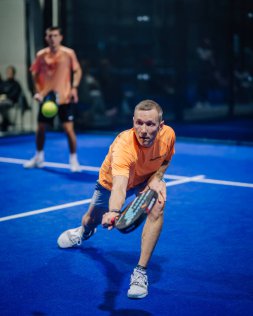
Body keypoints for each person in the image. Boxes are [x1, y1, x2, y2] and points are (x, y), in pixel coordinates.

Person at [57, 99, 176, 298]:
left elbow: (165, 160)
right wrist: (113, 212)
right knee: (90, 219)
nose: (143, 130)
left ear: (160, 126)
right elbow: (119, 186)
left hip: (144, 180)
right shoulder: (124, 146)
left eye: (150, 124)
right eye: (139, 123)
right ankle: (83, 231)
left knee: (158, 206)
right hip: (110, 184)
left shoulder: (169, 135)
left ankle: (140, 271)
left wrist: (157, 178)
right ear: (133, 122)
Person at [24, 26, 82, 172]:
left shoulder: (69, 53)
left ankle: (74, 160)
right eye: (50, 36)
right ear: (46, 38)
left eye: (55, 35)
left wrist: (74, 88)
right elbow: (34, 74)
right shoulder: (41, 55)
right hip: (47, 100)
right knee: (41, 129)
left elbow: (77, 70)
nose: (52, 38)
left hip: (65, 98)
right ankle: (38, 157)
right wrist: (39, 92)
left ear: (60, 37)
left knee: (69, 130)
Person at [0, 66, 22, 131]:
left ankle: (6, 121)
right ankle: (6, 121)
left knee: (2, 104)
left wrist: (5, 97)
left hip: (11, 101)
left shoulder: (16, 84)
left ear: (13, 73)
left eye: (11, 72)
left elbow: (15, 94)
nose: (9, 73)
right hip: (2, 100)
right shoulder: (4, 83)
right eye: (8, 72)